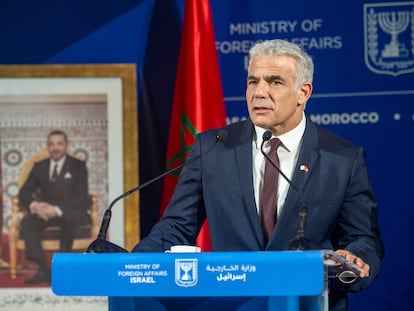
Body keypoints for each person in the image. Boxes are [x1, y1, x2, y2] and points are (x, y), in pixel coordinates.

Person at [132, 39, 384, 310]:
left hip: (306, 302)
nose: (259, 92)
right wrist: (131, 266)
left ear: (303, 92)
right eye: (253, 81)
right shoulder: (213, 148)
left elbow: (363, 238)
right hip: (231, 303)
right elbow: (177, 227)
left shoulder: (342, 158)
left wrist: (355, 257)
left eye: (275, 82)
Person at [18, 130, 90, 284]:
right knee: (28, 222)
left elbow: (81, 197)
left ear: (66, 145)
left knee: (70, 221)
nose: (55, 147)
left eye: (59, 143)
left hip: (70, 211)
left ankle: (64, 271)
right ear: (47, 147)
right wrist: (35, 205)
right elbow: (24, 192)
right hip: (45, 213)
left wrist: (56, 210)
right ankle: (44, 268)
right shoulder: (40, 166)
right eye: (51, 144)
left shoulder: (78, 166)